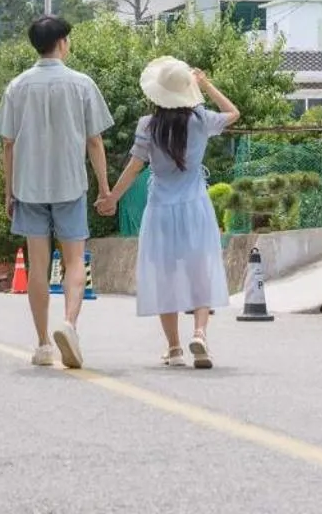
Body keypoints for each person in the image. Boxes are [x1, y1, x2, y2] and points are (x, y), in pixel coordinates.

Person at [97, 57, 240, 369]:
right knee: (199, 271)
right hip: (195, 207)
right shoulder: (201, 120)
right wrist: (206, 85)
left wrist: (111, 198)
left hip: (161, 209)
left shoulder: (148, 126)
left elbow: (134, 167)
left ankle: (174, 348)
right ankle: (200, 334)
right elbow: (233, 113)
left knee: (165, 275)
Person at [0, 14, 112, 368]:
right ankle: (69, 325)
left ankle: (44, 343)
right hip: (70, 183)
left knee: (38, 265)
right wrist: (104, 187)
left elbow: (8, 144)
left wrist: (9, 192)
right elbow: (94, 140)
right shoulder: (82, 84)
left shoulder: (17, 86)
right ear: (62, 43)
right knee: (74, 260)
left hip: (28, 186)